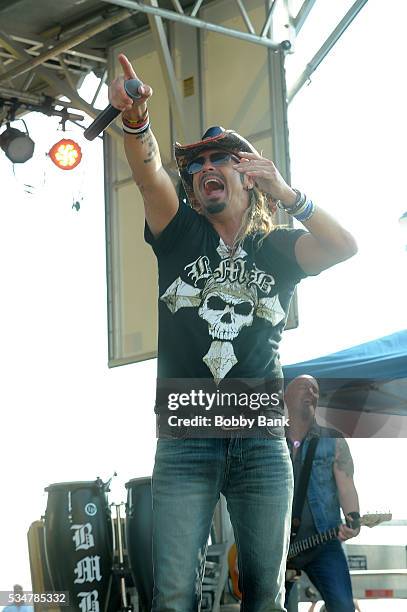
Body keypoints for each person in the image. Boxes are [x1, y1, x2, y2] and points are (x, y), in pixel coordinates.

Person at [109, 53, 358, 612]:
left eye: (222, 158)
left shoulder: (280, 249)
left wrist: (290, 195)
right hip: (187, 435)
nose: (205, 168)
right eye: (197, 164)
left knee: (265, 595)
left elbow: (345, 247)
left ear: (248, 174)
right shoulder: (179, 231)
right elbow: (148, 172)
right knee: (173, 596)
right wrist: (136, 122)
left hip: (260, 441)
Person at [285, 375, 360, 612]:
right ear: (286, 396)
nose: (310, 391)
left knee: (343, 607)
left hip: (323, 541)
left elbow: (346, 484)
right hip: (278, 545)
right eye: (302, 387)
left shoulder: (333, 439)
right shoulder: (271, 439)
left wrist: (354, 519)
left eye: (315, 389)